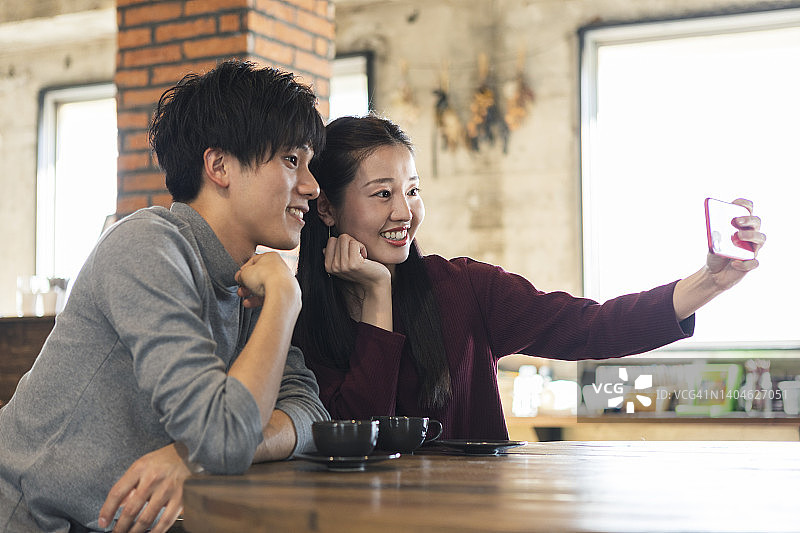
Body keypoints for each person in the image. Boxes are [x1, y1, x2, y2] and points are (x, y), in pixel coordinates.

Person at [0, 60, 329, 533]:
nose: (312, 187)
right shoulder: (149, 246)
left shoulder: (248, 278)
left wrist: (192, 456)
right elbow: (222, 442)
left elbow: (309, 412)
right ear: (218, 166)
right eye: (291, 160)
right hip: (28, 517)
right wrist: (284, 300)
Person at [293, 114, 765, 440]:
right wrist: (378, 295)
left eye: (412, 190)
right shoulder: (298, 317)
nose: (404, 211)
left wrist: (710, 282)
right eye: (382, 194)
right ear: (328, 208)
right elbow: (358, 437)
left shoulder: (466, 288)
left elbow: (590, 326)